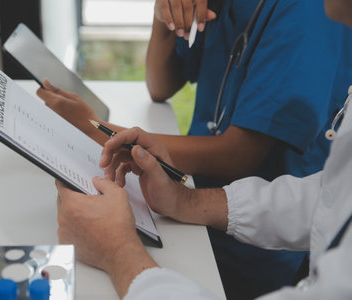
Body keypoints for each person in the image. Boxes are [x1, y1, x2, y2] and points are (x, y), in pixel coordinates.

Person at [53, 0, 352, 297]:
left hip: (251, 255)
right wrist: (185, 201)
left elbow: (239, 154)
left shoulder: (306, 15)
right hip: (202, 209)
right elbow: (160, 86)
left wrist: (117, 251)